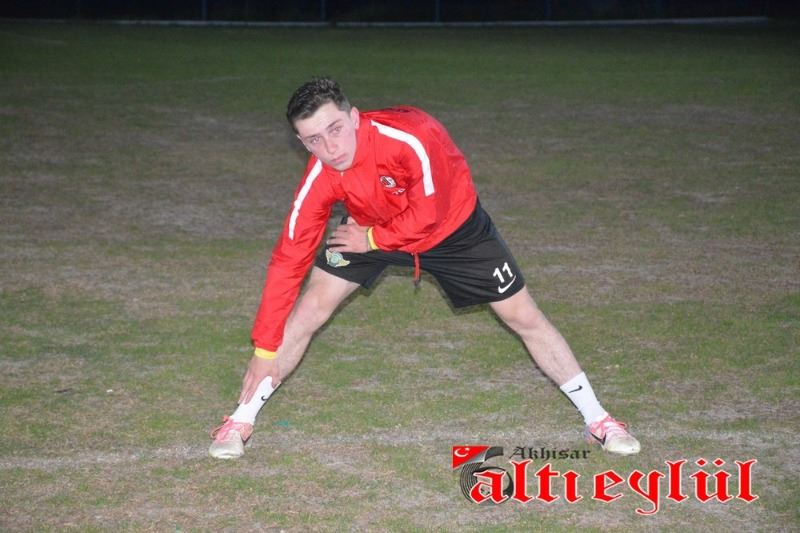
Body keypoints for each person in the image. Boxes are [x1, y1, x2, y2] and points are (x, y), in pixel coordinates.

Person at [209, 77, 640, 459]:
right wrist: (264, 349)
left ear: (354, 117)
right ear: (302, 142)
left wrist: (371, 240)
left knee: (523, 316)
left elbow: (428, 214)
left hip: (454, 231)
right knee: (309, 309)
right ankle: (240, 420)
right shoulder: (321, 174)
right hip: (369, 227)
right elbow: (288, 258)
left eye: (335, 129)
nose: (330, 148)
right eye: (313, 140)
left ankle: (598, 419)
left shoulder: (411, 136)